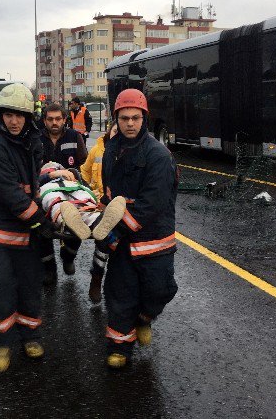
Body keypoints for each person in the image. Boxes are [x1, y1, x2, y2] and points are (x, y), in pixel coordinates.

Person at [0, 83, 54, 373]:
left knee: (30, 282)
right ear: (0, 115)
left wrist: (41, 204)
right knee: (1, 284)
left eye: (20, 115)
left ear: (29, 117)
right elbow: (10, 194)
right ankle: (4, 343)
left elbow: (32, 183)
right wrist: (41, 220)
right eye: (8, 115)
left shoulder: (32, 141)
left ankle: (30, 335)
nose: (14, 121)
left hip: (22, 226)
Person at [99, 89, 178, 369]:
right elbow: (109, 192)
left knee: (160, 290)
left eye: (135, 118)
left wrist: (117, 228)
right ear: (116, 119)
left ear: (144, 119)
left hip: (153, 240)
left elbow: (151, 203)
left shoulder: (158, 156)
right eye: (124, 118)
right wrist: (102, 212)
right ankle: (120, 347)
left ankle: (144, 318)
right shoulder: (111, 150)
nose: (130, 123)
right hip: (122, 242)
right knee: (120, 293)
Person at [38, 103, 88, 284]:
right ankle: (49, 268)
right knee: (41, 228)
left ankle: (68, 256)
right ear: (44, 120)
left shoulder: (75, 137)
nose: (54, 122)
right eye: (50, 119)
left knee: (77, 223)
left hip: (70, 190)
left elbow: (84, 165)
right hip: (43, 188)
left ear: (64, 120)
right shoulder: (36, 139)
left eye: (58, 119)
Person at [38, 161, 125, 242]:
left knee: (72, 202)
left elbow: (84, 183)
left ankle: (95, 221)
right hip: (52, 187)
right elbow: (34, 184)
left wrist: (93, 192)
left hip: (71, 186)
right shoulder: (41, 177)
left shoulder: (71, 174)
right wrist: (51, 175)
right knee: (61, 203)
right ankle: (95, 220)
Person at [80, 121, 118, 303]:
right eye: (115, 130)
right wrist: (85, 190)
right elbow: (85, 173)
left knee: (109, 236)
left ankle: (107, 283)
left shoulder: (133, 154)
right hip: (97, 202)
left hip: (121, 206)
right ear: (110, 132)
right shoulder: (97, 151)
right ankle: (96, 279)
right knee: (104, 233)